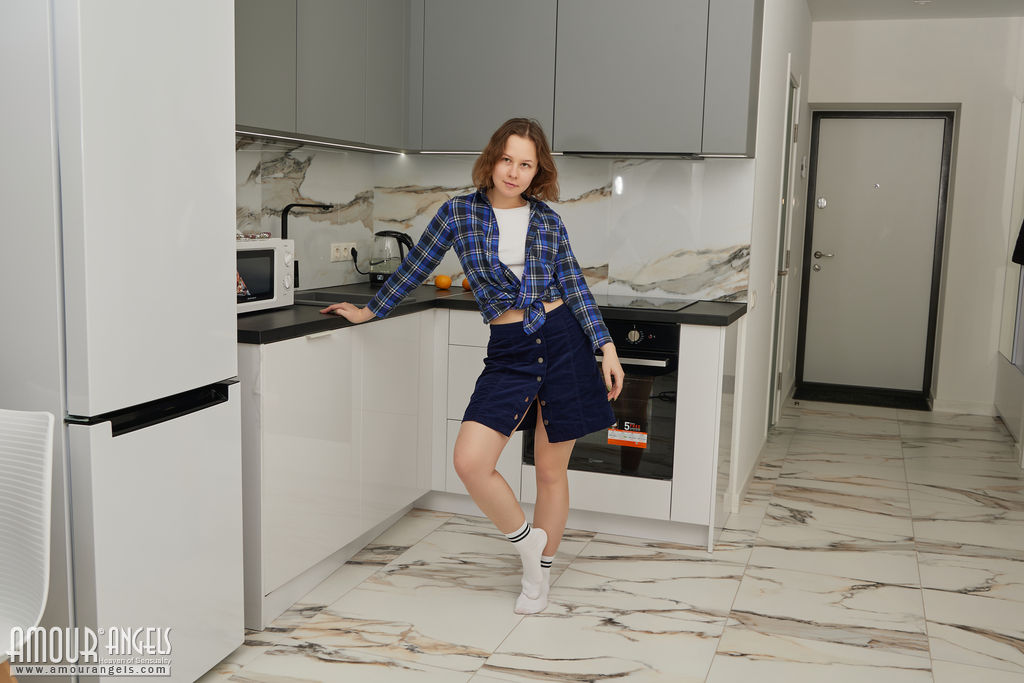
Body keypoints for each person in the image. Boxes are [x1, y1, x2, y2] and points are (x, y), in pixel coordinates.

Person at [321, 117, 624, 614]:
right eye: (507, 160)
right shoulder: (458, 213)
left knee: (551, 472)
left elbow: (574, 284)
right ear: (492, 159)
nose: (514, 172)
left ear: (537, 171)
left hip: (564, 340)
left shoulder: (548, 220)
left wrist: (606, 347)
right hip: (510, 349)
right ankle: (527, 545)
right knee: (470, 461)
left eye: (526, 164)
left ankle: (538, 578)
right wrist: (369, 311)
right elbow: (416, 267)